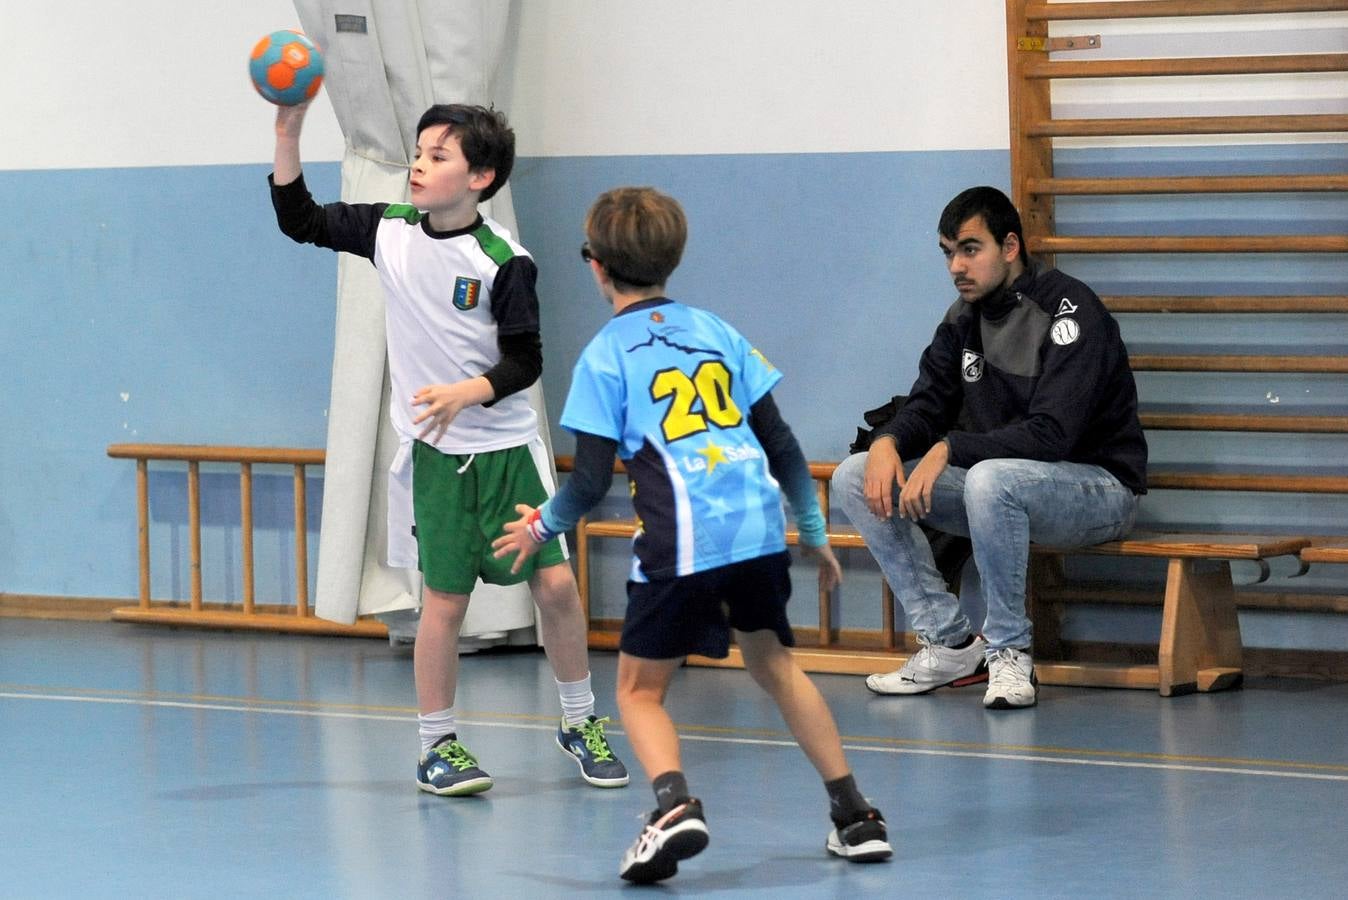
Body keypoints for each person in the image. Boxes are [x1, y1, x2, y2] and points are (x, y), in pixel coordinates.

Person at [493, 187, 892, 883]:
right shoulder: (715, 330)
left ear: (595, 266)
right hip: (759, 530)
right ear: (672, 258)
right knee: (775, 667)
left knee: (640, 692)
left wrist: (538, 526)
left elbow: (586, 484)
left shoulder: (602, 358)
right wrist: (813, 528)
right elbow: (783, 445)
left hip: (682, 541)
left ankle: (674, 807)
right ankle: (855, 815)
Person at [268, 101, 627, 795]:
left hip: (507, 454)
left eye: (438, 155)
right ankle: (438, 747)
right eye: (419, 151)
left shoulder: (503, 261)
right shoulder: (388, 230)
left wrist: (470, 391)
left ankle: (580, 720)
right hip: (436, 462)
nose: (420, 165)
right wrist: (288, 132)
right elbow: (300, 220)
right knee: (445, 604)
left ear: (481, 176)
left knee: (554, 583)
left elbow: (526, 360)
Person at [832, 186, 1147, 710]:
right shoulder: (962, 318)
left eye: (970, 249)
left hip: (1100, 489)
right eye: (948, 253)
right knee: (854, 472)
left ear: (1009, 246)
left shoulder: (1071, 310)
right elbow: (927, 401)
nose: (957, 265)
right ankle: (951, 643)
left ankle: (1010, 651)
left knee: (989, 477)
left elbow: (1052, 435)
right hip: (1003, 488)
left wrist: (947, 448)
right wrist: (889, 441)